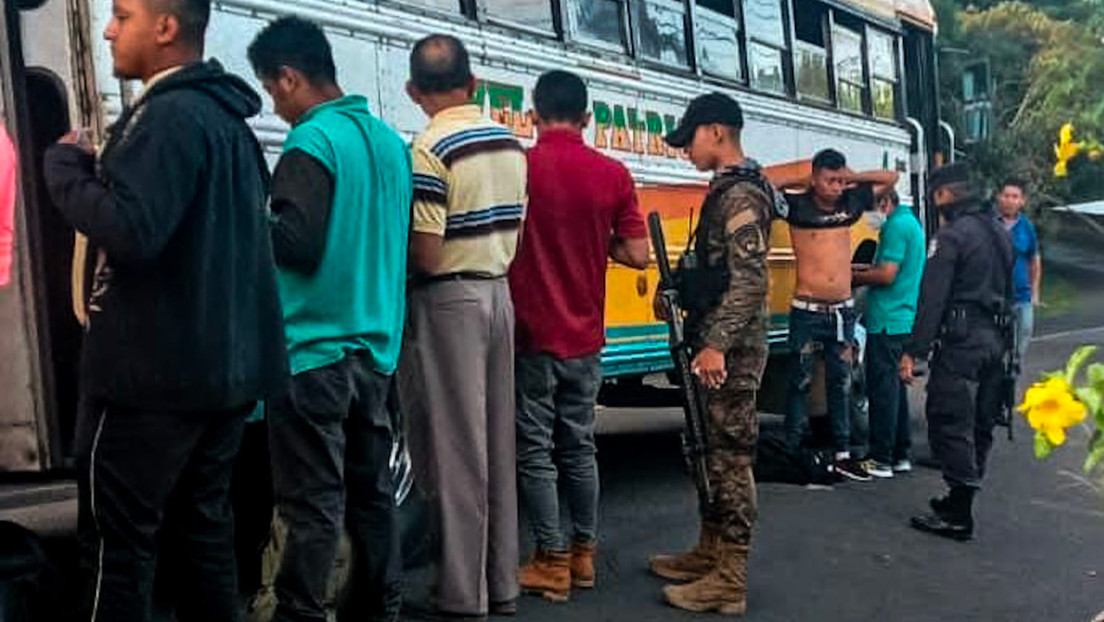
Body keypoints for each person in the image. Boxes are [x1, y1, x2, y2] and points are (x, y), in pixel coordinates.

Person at [42, 0, 288, 619]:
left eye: (122, 15)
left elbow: (131, 229)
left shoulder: (167, 118)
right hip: (223, 372)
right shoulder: (228, 121)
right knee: (202, 532)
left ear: (167, 27)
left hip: (147, 380)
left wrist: (65, 168)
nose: (108, 29)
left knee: (116, 548)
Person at [247, 16, 412, 622]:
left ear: (290, 77)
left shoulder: (310, 142)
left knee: (311, 504)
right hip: (376, 353)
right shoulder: (392, 145)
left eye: (272, 89)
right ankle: (382, 608)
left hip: (313, 352)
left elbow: (297, 242)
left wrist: (248, 218)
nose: (275, 104)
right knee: (373, 497)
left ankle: (300, 615)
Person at [398, 34, 527, 619]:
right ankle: (501, 583)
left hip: (449, 300)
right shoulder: (510, 142)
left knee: (455, 453)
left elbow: (426, 252)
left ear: (412, 91)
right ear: (472, 84)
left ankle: (460, 593)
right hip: (500, 294)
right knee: (498, 445)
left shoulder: (429, 148)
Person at [508, 70, 648, 602]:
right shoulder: (612, 174)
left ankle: (551, 559)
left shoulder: (520, 168)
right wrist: (598, 243)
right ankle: (585, 554)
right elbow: (637, 253)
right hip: (587, 335)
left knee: (536, 450)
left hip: (532, 334)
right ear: (588, 118)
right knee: (579, 446)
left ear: (533, 116)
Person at [646, 92, 779, 615]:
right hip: (713, 343)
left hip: (732, 351)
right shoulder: (725, 191)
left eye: (691, 139)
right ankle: (710, 550)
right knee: (705, 449)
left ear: (717, 132)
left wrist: (718, 343)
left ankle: (731, 575)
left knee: (729, 457)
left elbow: (750, 281)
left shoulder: (742, 196)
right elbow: (714, 267)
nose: (686, 151)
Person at [901, 162, 1012, 542]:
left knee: (949, 417)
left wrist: (913, 351)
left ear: (944, 195)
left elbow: (933, 299)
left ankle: (959, 513)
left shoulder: (952, 237)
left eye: (937, 195)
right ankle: (958, 496)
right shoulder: (998, 230)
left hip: (962, 341)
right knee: (981, 420)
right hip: (997, 340)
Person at [775, 149, 899, 482]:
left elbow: (891, 178)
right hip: (806, 309)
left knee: (840, 382)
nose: (834, 187)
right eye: (828, 180)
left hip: (841, 311)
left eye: (839, 181)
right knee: (799, 381)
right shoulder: (797, 206)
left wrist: (849, 177)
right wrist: (807, 178)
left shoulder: (851, 202)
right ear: (815, 179)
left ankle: (842, 450)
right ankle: (793, 446)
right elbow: (766, 183)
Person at [852, 189, 926, 479]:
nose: (870, 219)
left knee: (882, 391)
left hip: (887, 319)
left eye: (872, 211)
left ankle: (880, 458)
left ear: (884, 203)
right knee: (896, 391)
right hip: (903, 318)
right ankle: (900, 454)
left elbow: (886, 274)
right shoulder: (912, 224)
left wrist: (852, 276)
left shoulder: (895, 227)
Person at [995, 178, 1041, 365]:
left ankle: (1015, 365)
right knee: (997, 344)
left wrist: (1035, 292)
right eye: (1006, 196)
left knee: (1024, 332)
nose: (1010, 200)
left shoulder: (1027, 227)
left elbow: (1034, 260)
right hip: (995, 295)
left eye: (1015, 197)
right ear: (999, 197)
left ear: (1022, 201)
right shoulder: (990, 224)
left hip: (1022, 295)